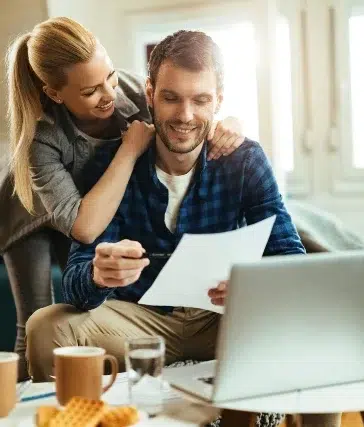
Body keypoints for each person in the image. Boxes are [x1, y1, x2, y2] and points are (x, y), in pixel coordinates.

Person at [25, 30, 341, 427]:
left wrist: (255, 288)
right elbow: (74, 278)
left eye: (201, 100)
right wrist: (97, 275)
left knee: (320, 331)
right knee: (44, 328)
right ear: (150, 93)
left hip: (225, 320)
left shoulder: (243, 159)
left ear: (219, 101)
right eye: (171, 97)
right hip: (142, 321)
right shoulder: (113, 166)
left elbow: (288, 255)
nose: (185, 115)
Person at [1, 17, 245, 380]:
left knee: (93, 293)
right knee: (37, 320)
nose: (109, 95)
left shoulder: (131, 90)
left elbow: (187, 122)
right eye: (90, 92)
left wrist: (231, 125)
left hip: (98, 196)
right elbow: (84, 228)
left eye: (109, 77)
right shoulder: (42, 141)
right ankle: (24, 407)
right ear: (55, 94)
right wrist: (129, 151)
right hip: (34, 213)